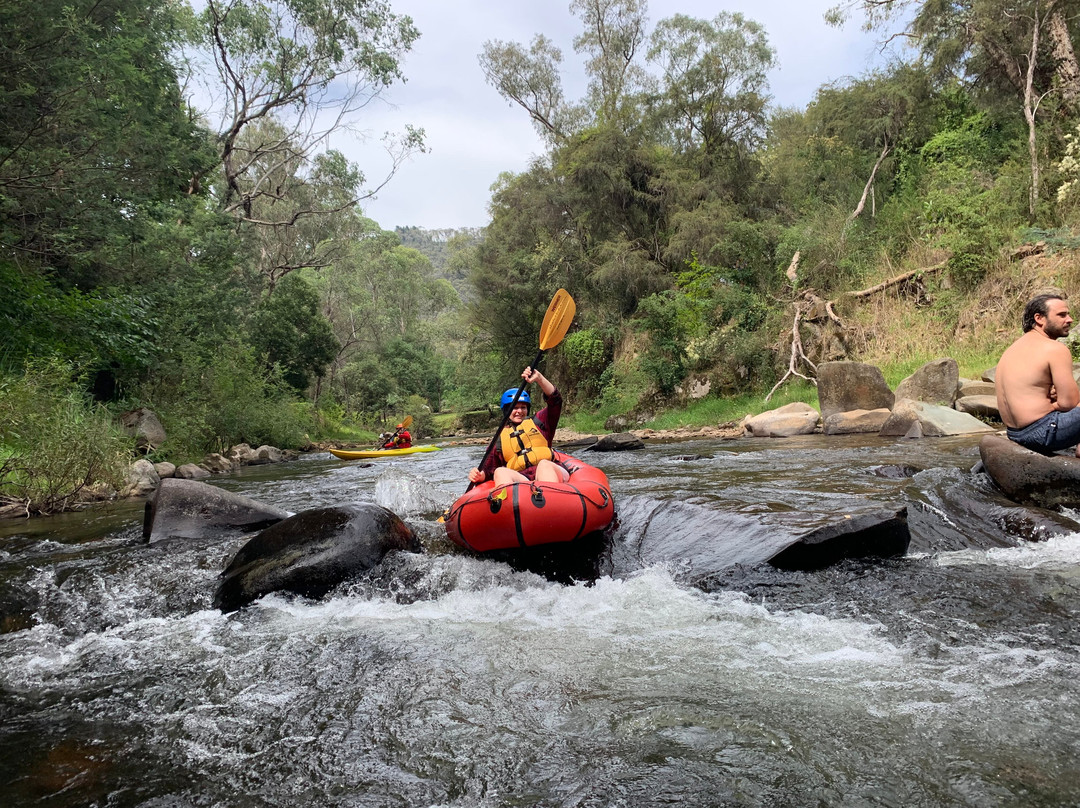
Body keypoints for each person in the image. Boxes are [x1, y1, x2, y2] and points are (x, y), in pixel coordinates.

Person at [995, 292, 1080, 456]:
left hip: (1015, 434)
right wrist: (1053, 405)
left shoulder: (1012, 350)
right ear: (1039, 319)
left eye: (1068, 314)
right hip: (1043, 432)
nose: (1069, 319)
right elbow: (1069, 402)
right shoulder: (1055, 349)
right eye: (1062, 315)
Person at [468, 366, 571, 486]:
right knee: (500, 472)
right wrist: (479, 475)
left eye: (523, 407)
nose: (519, 411)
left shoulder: (540, 421)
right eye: (515, 408)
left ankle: (552, 501)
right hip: (523, 479)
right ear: (507, 410)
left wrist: (539, 378)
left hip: (551, 471)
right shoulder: (499, 439)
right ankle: (509, 503)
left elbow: (555, 401)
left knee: (544, 465)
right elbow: (489, 469)